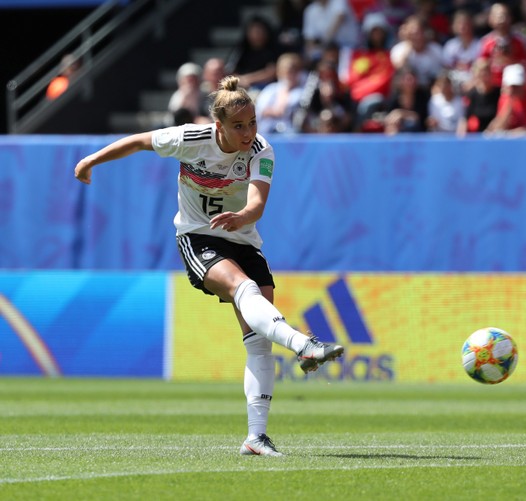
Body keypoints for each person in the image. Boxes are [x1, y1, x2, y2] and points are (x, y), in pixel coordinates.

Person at [73, 76, 344, 457]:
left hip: (243, 239)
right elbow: (137, 141)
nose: (249, 132)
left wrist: (242, 216)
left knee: (259, 343)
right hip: (198, 238)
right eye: (239, 126)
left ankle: (256, 437)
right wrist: (90, 160)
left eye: (252, 123)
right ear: (219, 126)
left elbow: (257, 205)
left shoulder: (261, 151)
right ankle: (304, 344)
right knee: (241, 288)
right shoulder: (190, 138)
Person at [226, 15, 286, 90]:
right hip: (241, 86)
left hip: (266, 88)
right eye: (253, 31)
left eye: (259, 31)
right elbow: (230, 69)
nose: (256, 35)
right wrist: (241, 80)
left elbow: (272, 72)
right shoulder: (240, 49)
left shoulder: (274, 50)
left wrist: (247, 79)